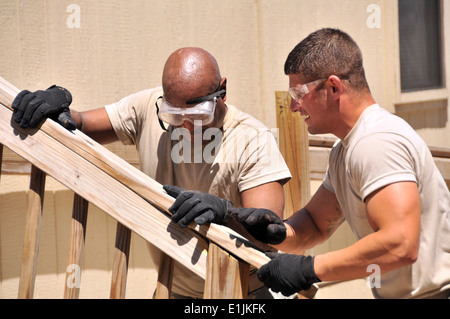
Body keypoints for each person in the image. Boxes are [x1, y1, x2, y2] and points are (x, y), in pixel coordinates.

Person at [166, 29, 450, 299]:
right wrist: (263, 229)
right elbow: (315, 224)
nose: (293, 107)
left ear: (334, 87)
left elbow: (400, 243)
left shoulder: (376, 142)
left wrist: (308, 269)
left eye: (299, 94)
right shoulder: (345, 150)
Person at [11, 47, 292, 298]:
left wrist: (225, 213)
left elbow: (268, 232)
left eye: (198, 116)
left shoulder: (253, 139)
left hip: (241, 292)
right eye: (174, 117)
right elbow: (82, 124)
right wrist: (55, 105)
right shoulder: (148, 107)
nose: (186, 128)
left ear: (223, 91)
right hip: (173, 288)